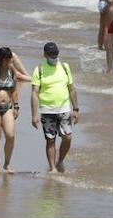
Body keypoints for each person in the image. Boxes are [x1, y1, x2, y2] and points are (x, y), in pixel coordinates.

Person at [30, 42, 79, 173]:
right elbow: (34, 93)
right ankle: (52, 168)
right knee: (50, 140)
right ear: (45, 55)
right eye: (51, 55)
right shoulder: (39, 70)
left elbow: (72, 89)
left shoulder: (64, 67)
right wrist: (34, 115)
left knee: (67, 137)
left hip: (64, 109)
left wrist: (76, 109)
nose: (54, 57)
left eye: (56, 54)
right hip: (47, 110)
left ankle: (61, 160)